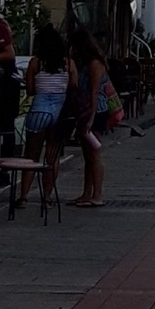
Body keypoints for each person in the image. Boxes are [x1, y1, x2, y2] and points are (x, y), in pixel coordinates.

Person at [63, 28, 110, 207]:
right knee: (88, 155)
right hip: (88, 111)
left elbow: (94, 92)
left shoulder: (94, 65)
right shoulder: (86, 64)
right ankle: (86, 192)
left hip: (96, 111)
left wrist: (90, 118)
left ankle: (97, 194)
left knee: (94, 155)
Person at [25, 24, 70, 203]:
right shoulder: (68, 63)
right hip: (59, 115)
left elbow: (29, 90)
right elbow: (72, 86)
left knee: (31, 156)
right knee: (52, 156)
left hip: (38, 112)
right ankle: (47, 196)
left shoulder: (36, 62)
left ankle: (23, 196)